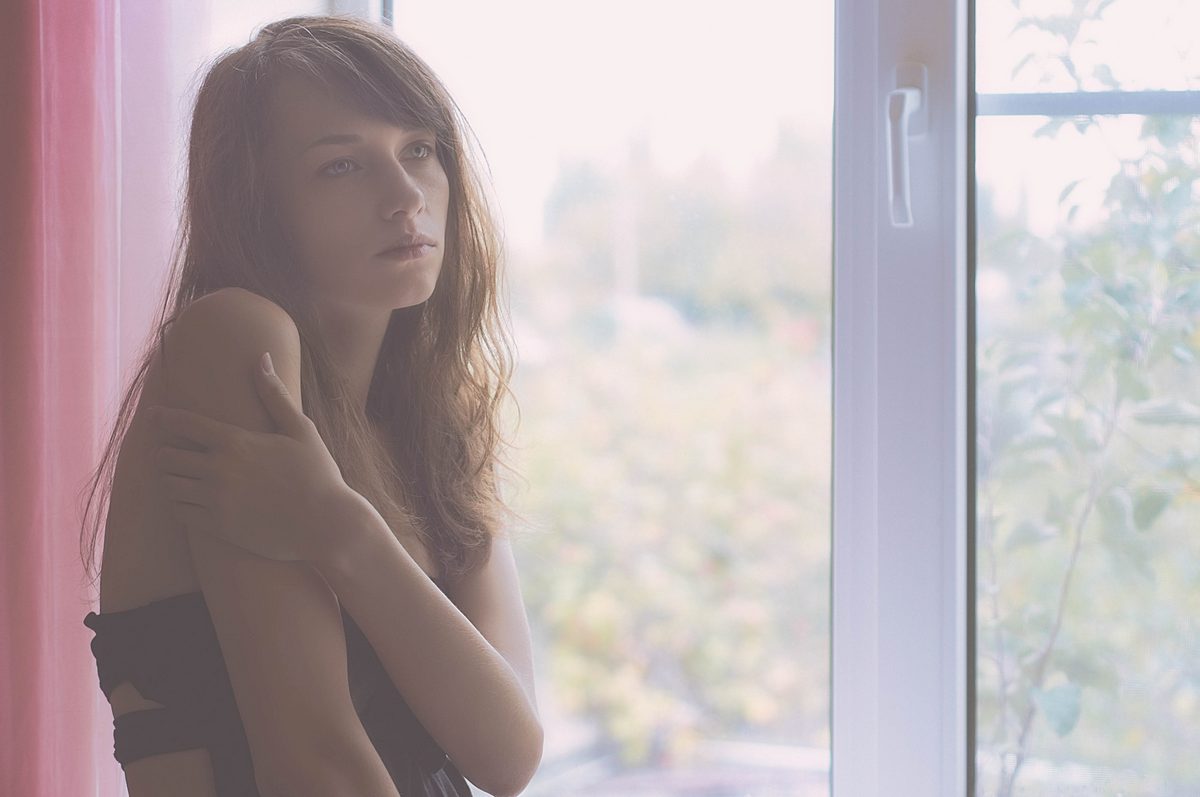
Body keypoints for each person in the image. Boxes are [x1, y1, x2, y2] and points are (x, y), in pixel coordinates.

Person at [79, 14, 543, 797]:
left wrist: (339, 527)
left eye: (419, 149)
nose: (406, 196)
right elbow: (313, 764)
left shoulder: (436, 422)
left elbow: (508, 755)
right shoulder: (233, 340)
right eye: (342, 166)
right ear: (259, 204)